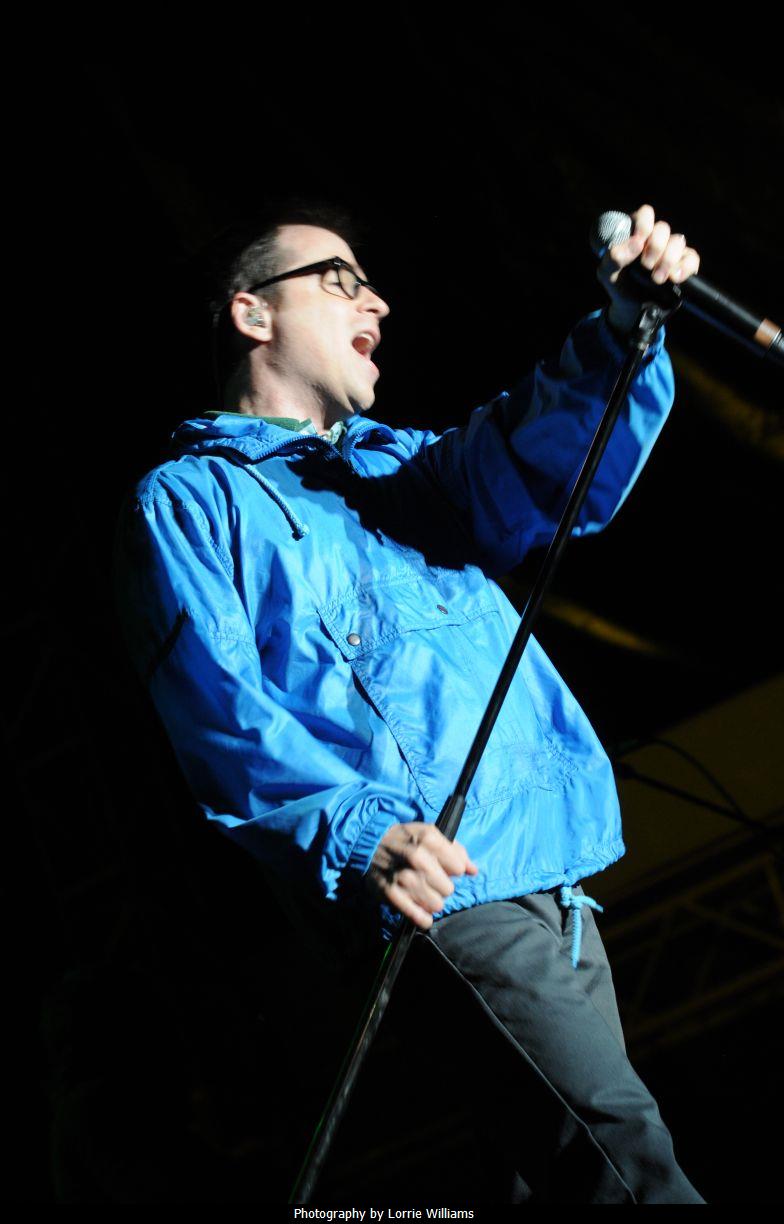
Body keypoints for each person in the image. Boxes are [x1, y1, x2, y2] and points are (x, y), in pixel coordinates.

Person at [115, 200, 706, 1203]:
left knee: (557, 1183)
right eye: (339, 281)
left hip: (555, 879)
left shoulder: (405, 470)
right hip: (439, 892)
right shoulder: (191, 502)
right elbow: (221, 715)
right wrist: (360, 837)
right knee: (626, 1163)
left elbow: (535, 456)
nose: (376, 303)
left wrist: (623, 329)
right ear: (252, 313)